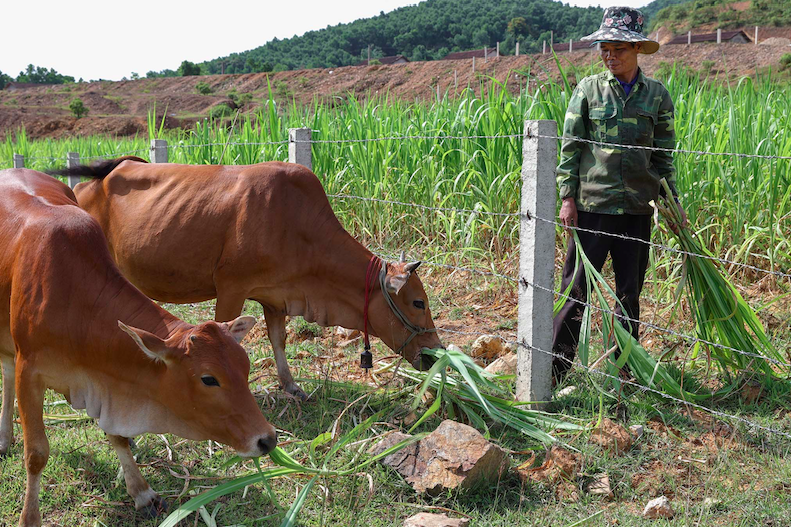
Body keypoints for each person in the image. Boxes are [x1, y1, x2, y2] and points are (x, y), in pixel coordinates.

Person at [552, 6, 687, 383]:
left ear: (637, 50)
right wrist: (567, 197)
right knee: (575, 289)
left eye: (618, 50)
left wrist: (670, 200)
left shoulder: (656, 96)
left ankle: (624, 370)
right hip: (593, 207)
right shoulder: (588, 90)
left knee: (629, 293)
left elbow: (663, 155)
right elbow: (570, 147)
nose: (610, 56)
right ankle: (556, 371)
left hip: (636, 210)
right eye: (605, 50)